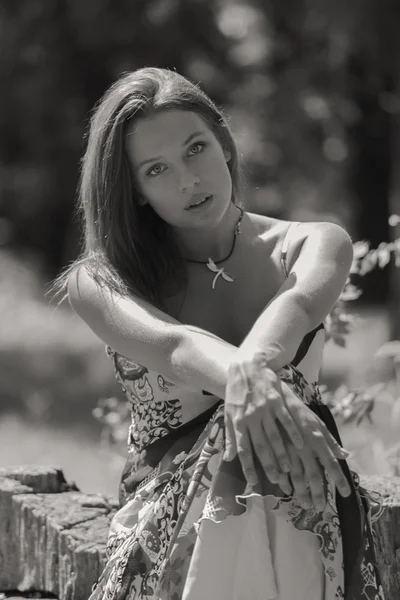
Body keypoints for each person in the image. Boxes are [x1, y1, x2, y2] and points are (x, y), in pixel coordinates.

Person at [55, 68, 384, 600]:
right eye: (157, 169)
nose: (189, 179)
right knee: (244, 434)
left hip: (305, 501)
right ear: (134, 191)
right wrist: (254, 386)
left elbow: (296, 307)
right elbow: (176, 346)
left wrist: (253, 383)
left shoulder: (313, 244)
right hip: (169, 521)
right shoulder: (99, 281)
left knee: (259, 434)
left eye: (196, 148)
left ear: (225, 146)